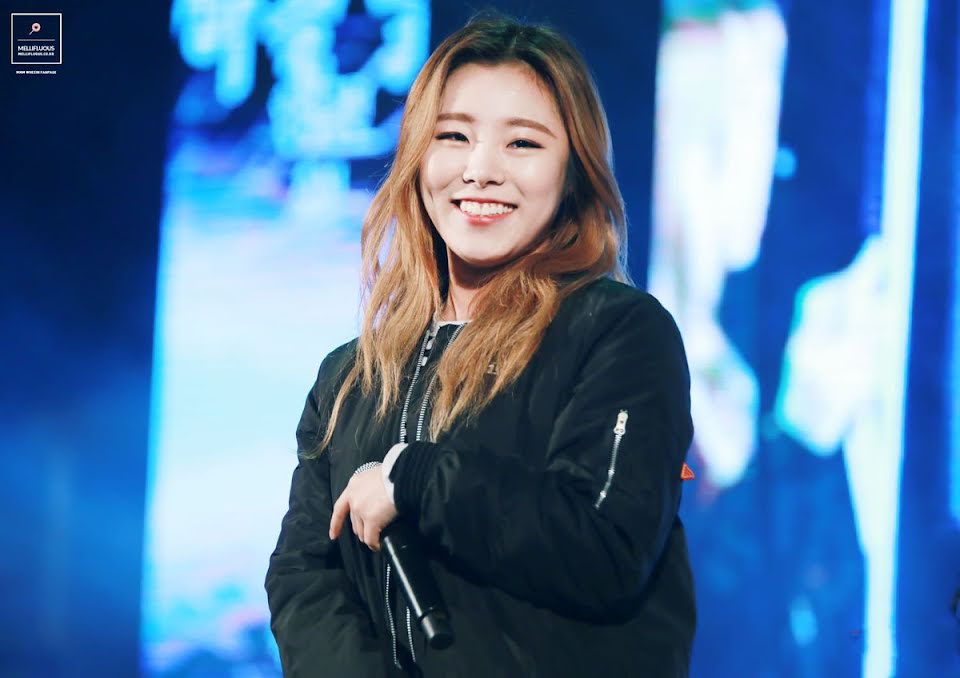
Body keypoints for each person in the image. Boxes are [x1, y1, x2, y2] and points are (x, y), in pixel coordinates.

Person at [265, 15, 696, 677]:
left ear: (574, 172)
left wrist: (415, 479)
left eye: (522, 143)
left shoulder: (621, 335)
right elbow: (304, 577)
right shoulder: (350, 376)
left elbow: (605, 548)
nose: (480, 170)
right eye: (453, 136)